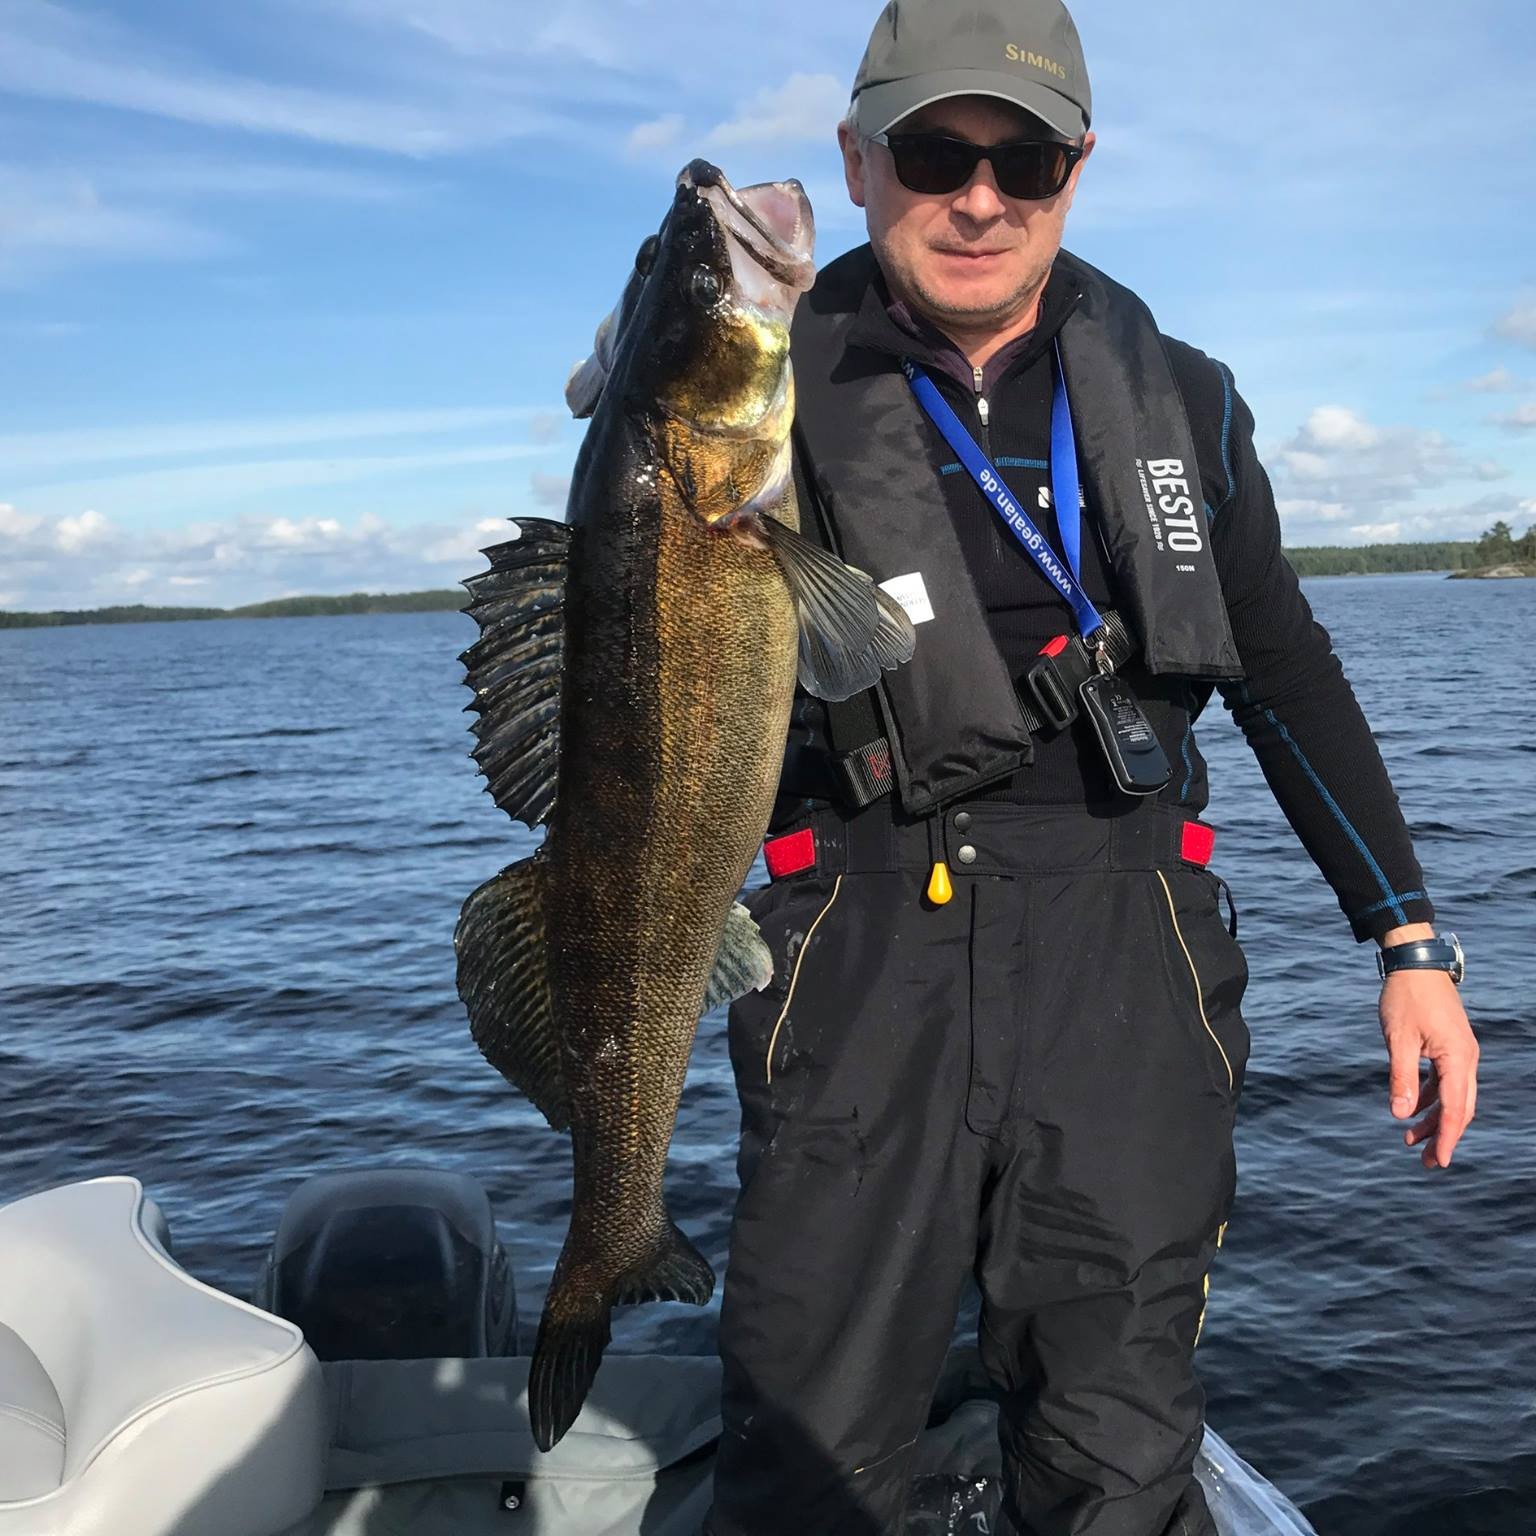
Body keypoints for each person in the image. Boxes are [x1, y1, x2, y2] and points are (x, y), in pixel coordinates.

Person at [705, 2, 1481, 1533]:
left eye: (1026, 158)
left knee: (1121, 1450)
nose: (980, 197)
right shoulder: (752, 382)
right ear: (859, 163)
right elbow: (629, 573)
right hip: (851, 941)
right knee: (807, 1437)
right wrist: (641, 388)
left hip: (1129, 946)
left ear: (1079, 169)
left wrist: (1408, 940)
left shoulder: (1182, 396)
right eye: (936, 153)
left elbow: (1285, 670)